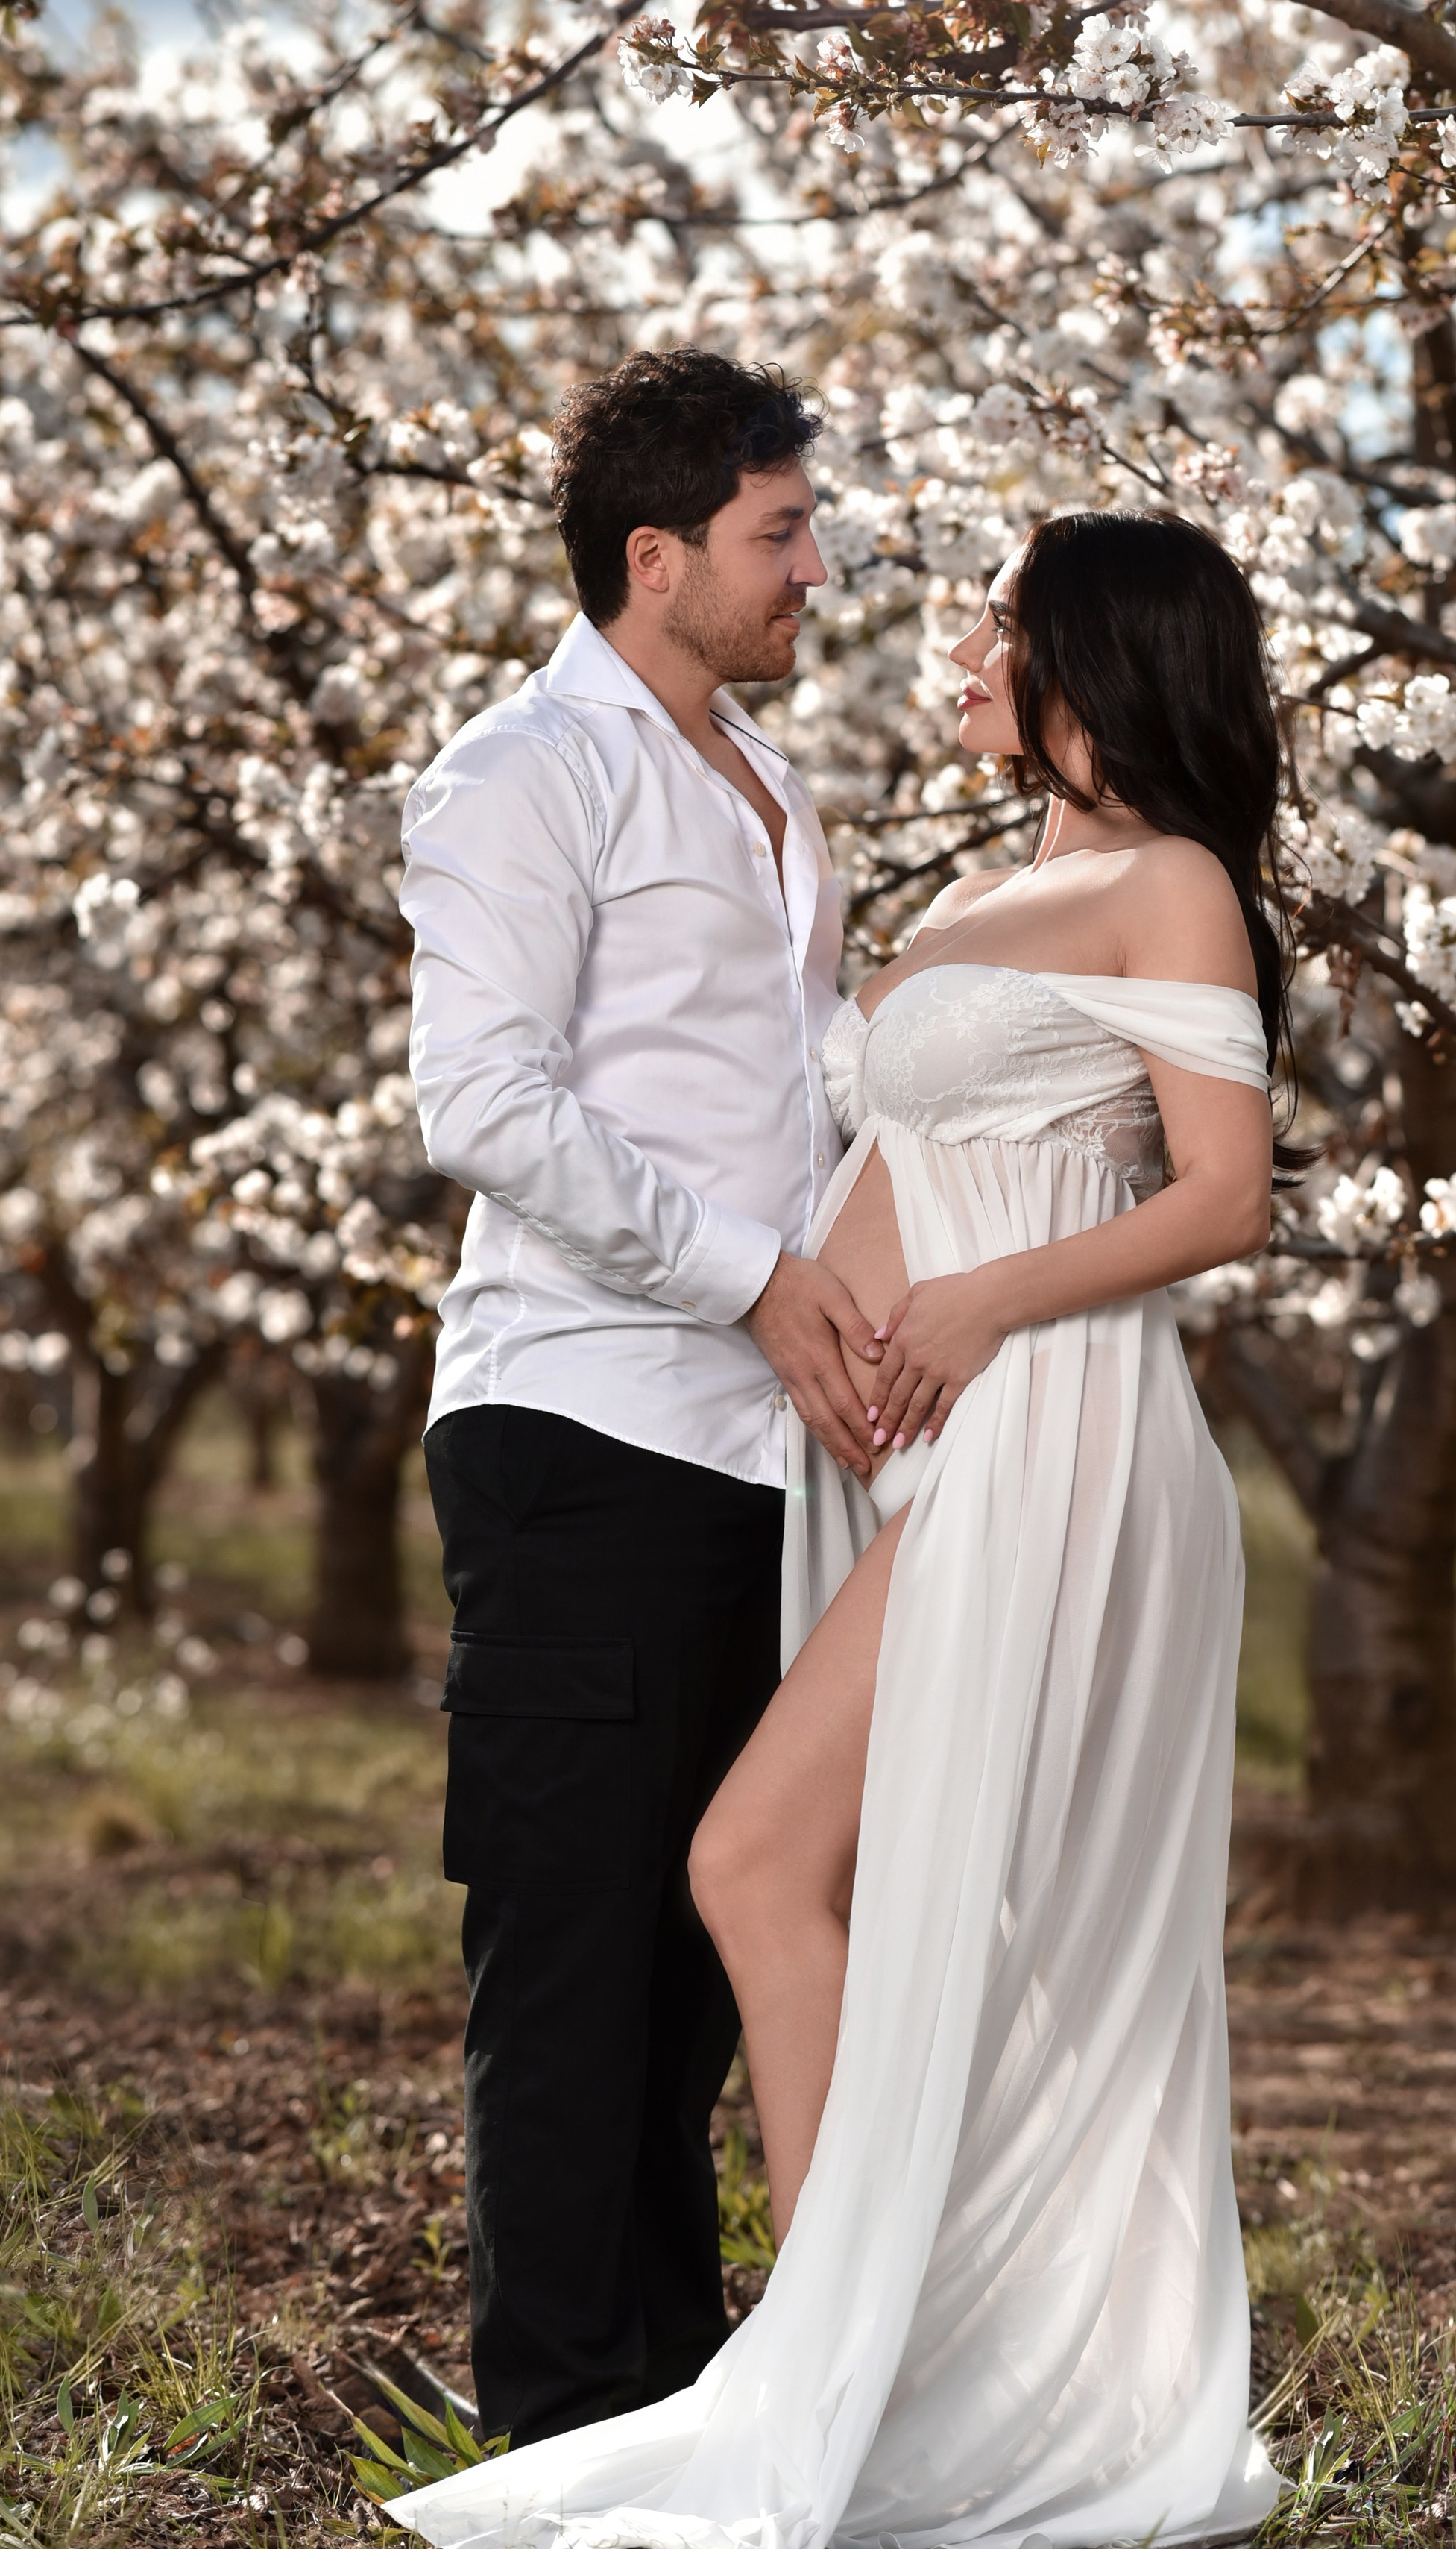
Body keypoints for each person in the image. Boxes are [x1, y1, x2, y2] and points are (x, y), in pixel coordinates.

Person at [392, 508, 1290, 2549]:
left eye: (1001, 627)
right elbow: (897, 1158)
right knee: (833, 1885)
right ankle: (868, 2350)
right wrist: (827, 1346)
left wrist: (975, 1306)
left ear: (1098, 659)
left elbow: (1225, 1195)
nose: (957, 650)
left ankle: (841, 2364)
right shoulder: (993, 882)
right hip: (937, 1441)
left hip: (1067, 1429)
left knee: (758, 1857)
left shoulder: (1174, 885)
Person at [400, 348, 883, 2451]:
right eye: (782, 532)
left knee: (696, 1962)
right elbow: (481, 1100)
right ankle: (566, 2438)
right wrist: (753, 1277)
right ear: (657, 554)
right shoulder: (526, 770)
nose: (816, 566)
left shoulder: (770, 784)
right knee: (582, 1968)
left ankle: (668, 2422)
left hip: (757, 1457)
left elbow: (815, 1088)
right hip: (583, 1427)